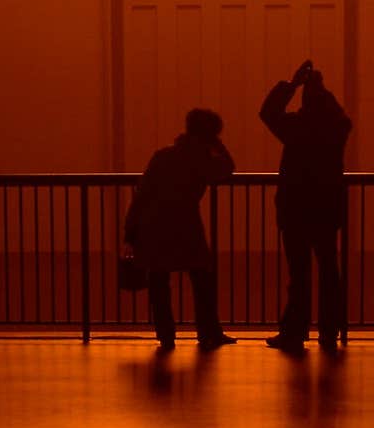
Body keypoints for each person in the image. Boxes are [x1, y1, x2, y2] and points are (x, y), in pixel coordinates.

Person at [124, 109, 237, 353]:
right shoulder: (202, 159)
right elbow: (228, 168)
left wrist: (130, 228)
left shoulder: (163, 156)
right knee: (201, 278)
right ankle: (209, 331)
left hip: (153, 224)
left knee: (159, 280)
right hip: (186, 224)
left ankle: (166, 335)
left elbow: (142, 193)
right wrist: (218, 145)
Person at [260, 60, 352, 354]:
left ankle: (295, 331)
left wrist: (293, 83)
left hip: (295, 209)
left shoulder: (296, 128)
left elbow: (268, 112)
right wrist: (319, 90)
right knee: (329, 270)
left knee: (299, 274)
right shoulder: (337, 127)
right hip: (326, 209)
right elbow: (338, 114)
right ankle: (329, 330)